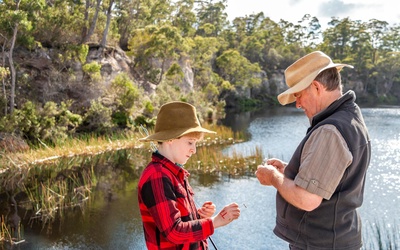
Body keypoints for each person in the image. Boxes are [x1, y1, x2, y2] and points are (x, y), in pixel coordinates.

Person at [255, 51, 371, 250]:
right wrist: (290, 170)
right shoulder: (350, 117)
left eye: (299, 95)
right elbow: (334, 177)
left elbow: (307, 199)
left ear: (317, 87)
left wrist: (274, 177)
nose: (298, 104)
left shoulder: (329, 131)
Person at [138, 101, 240, 250]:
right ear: (170, 139)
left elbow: (179, 222)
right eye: (190, 142)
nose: (194, 150)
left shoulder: (174, 173)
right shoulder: (157, 176)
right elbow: (174, 232)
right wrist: (216, 221)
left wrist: (198, 216)